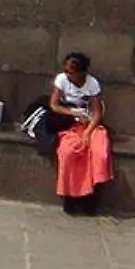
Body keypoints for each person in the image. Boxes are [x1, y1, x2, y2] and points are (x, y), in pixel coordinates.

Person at [49, 52, 111, 215]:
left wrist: (88, 132)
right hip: (69, 124)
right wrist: (72, 113)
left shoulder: (92, 84)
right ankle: (70, 196)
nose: (68, 75)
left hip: (89, 124)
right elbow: (54, 105)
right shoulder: (61, 80)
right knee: (69, 152)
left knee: (98, 153)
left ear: (81, 73)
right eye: (67, 71)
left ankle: (90, 197)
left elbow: (97, 113)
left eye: (72, 72)